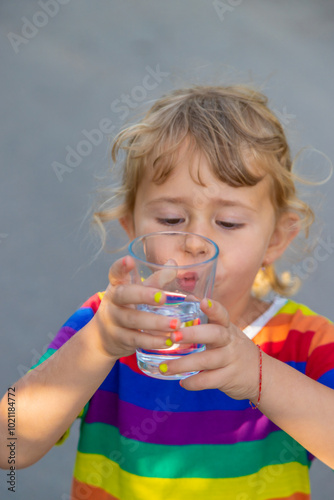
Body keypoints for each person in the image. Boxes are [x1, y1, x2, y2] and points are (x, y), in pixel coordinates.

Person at [1, 84, 334, 500]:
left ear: (276, 239)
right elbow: (10, 445)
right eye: (172, 218)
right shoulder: (107, 327)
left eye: (228, 222)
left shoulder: (304, 340)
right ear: (131, 228)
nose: (195, 242)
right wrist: (99, 344)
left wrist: (257, 374)